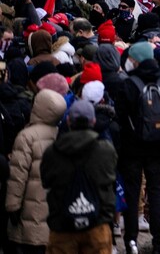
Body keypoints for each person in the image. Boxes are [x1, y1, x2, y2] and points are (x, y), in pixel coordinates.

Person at [115, 41, 160, 254]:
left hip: (132, 150)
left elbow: (121, 117)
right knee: (156, 193)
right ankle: (159, 241)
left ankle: (131, 240)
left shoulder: (128, 84)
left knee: (133, 195)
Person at [41, 99, 118, 253]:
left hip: (62, 225)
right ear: (93, 121)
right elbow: (110, 179)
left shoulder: (53, 152)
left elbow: (46, 181)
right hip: (98, 224)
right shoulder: (105, 150)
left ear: (69, 121)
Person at [6, 89, 68, 253]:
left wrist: (12, 206)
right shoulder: (60, 135)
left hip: (27, 215)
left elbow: (17, 175)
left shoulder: (26, 137)